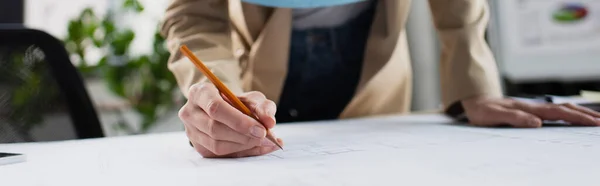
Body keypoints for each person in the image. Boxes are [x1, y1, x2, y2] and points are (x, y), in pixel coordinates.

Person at [160, 0, 600, 158]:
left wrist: (473, 85)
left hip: (375, 76)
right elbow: (194, 12)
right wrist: (217, 93)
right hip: (257, 76)